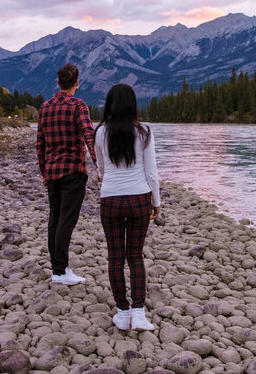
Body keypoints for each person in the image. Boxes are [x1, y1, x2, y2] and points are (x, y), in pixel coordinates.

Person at [95, 83, 161, 331]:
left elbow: (100, 168)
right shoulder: (143, 132)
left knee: (115, 256)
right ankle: (139, 313)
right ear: (132, 104)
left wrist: (106, 176)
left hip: (110, 198)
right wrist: (156, 202)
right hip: (138, 198)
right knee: (135, 256)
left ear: (109, 105)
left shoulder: (100, 132)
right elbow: (151, 173)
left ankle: (122, 312)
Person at [36, 63, 97, 285]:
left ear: (59, 82)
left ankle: (57, 268)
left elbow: (40, 144)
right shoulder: (78, 106)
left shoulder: (44, 108)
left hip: (52, 172)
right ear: (77, 82)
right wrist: (100, 164)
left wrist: (43, 171)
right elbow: (88, 135)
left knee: (55, 218)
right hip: (73, 171)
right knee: (66, 221)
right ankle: (60, 271)